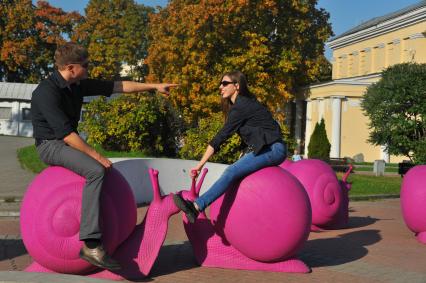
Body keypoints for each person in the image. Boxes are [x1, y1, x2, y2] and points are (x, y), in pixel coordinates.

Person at [31, 42, 177, 270]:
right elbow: (67, 136)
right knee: (95, 170)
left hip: (65, 140)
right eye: (86, 65)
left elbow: (119, 86)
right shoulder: (45, 92)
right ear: (71, 67)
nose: (89, 69)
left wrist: (154, 86)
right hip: (50, 145)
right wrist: (97, 157)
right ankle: (91, 244)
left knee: (98, 169)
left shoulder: (77, 85)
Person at [173, 70, 286, 223]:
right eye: (220, 83)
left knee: (231, 171)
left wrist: (199, 166)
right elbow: (256, 130)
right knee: (235, 173)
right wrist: (246, 150)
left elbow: (220, 137)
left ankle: (196, 207)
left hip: (273, 149)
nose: (221, 86)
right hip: (269, 148)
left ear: (237, 86)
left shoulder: (241, 106)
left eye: (225, 83)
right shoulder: (244, 104)